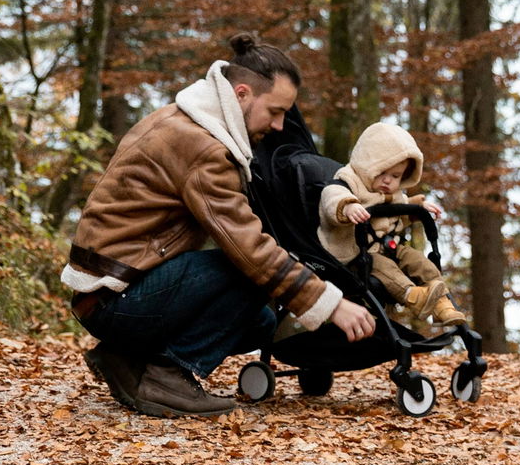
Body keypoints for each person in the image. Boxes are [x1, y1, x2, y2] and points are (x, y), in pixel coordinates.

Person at [62, 34, 377, 417]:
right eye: (275, 111)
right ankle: (168, 373)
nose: (279, 126)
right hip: (115, 300)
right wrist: (330, 304)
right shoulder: (203, 147)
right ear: (242, 94)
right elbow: (249, 248)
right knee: (250, 270)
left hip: (112, 291)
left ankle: (125, 358)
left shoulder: (182, 119)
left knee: (260, 322)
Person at [317, 121, 466, 327]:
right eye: (382, 173)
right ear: (367, 165)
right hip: (357, 255)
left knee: (419, 260)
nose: (388, 181)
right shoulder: (349, 181)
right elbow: (331, 196)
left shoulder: (392, 193)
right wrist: (348, 206)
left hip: (389, 246)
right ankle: (415, 297)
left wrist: (416, 208)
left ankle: (442, 303)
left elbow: (400, 209)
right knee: (384, 267)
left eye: (395, 176)